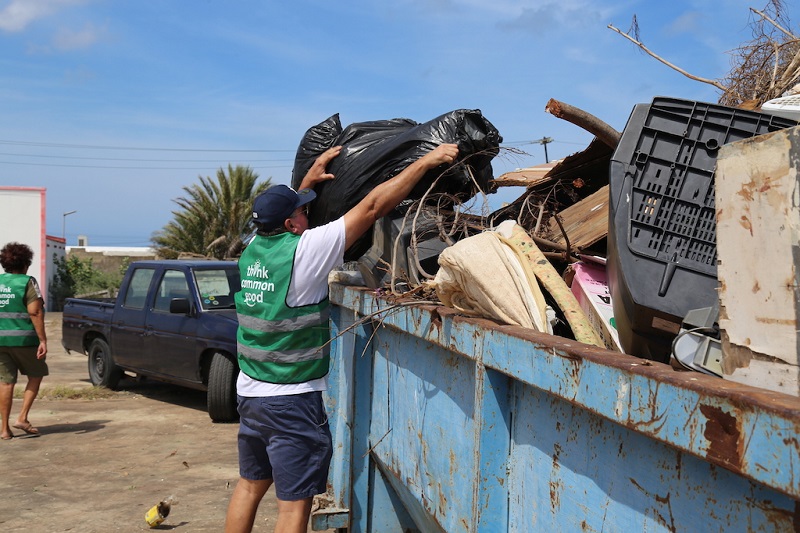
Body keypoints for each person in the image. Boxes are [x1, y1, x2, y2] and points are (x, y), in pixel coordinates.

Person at [225, 142, 459, 533]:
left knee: (250, 487)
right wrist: (426, 161)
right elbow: (370, 208)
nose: (308, 215)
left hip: (251, 394)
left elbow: (278, 217)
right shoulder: (305, 252)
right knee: (292, 507)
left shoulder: (251, 251)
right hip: (291, 402)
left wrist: (304, 184)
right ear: (290, 224)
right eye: (302, 210)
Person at [0, 242, 48, 440]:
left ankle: (4, 429)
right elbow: (34, 312)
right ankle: (22, 417)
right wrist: (43, 340)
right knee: (35, 375)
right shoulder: (28, 282)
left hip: (0, 341)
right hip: (25, 341)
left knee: (5, 382)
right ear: (26, 264)